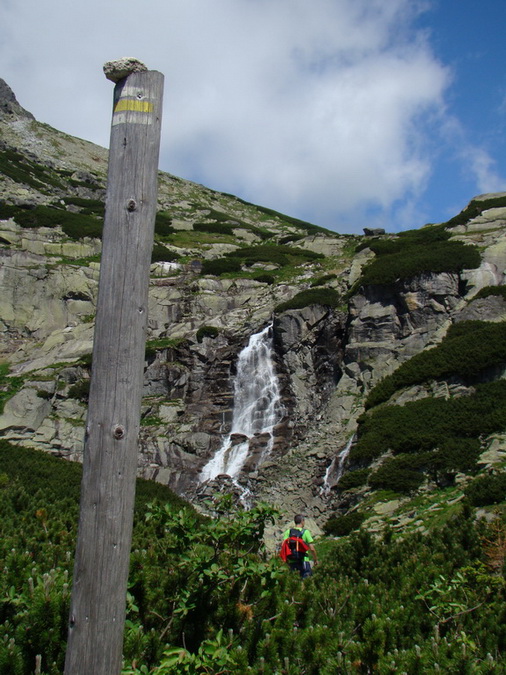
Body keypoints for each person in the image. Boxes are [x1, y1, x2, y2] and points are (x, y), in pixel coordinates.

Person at [282, 514, 318, 578]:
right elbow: (312, 549)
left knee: (294, 582)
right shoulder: (305, 532)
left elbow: (283, 546)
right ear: (302, 521)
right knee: (306, 581)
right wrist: (315, 559)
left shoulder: (288, 532)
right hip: (304, 560)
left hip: (292, 561)